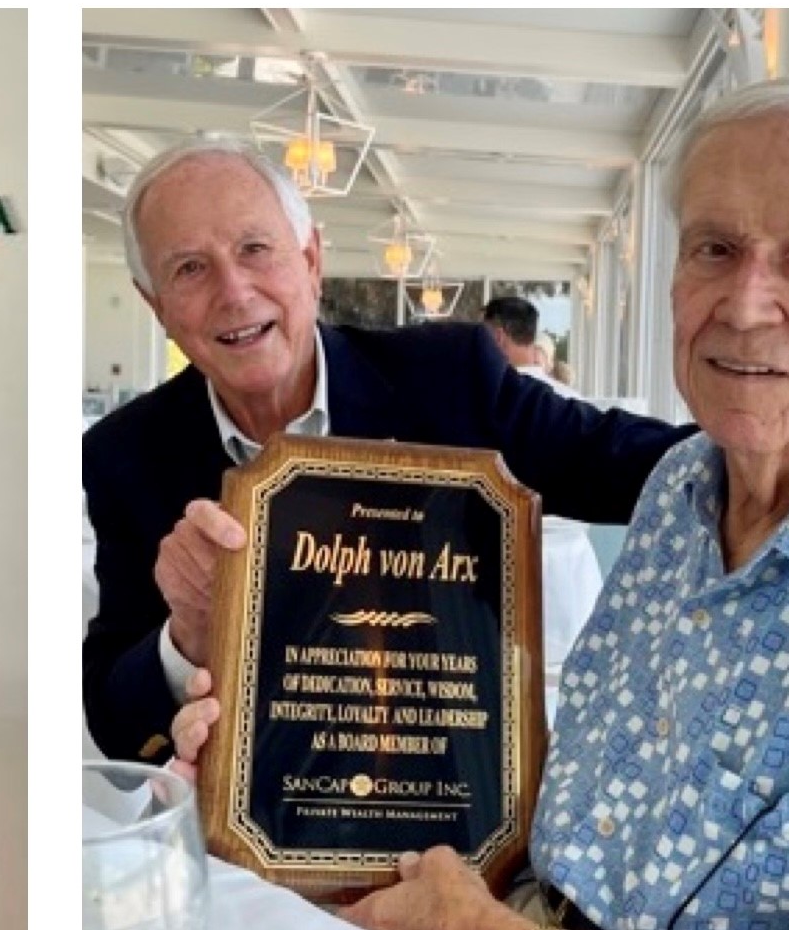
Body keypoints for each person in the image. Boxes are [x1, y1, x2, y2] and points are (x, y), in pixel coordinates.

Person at [183, 75, 789, 930]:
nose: (747, 304)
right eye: (714, 247)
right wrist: (273, 751)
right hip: (499, 906)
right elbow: (568, 767)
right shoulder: (684, 486)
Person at [81, 138, 693, 764]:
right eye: (189, 268)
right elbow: (109, 716)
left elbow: (627, 464)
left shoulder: (448, 379)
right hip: (256, 817)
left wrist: (784, 443)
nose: (234, 291)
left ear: (311, 260)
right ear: (155, 304)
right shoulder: (125, 453)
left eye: (254, 250)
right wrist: (187, 634)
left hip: (452, 792)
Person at [483, 296, 605, 720]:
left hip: (508, 565)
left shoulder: (491, 407)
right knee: (571, 698)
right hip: (574, 568)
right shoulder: (578, 401)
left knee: (505, 697)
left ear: (497, 336)